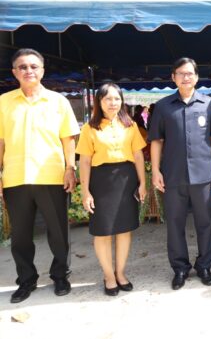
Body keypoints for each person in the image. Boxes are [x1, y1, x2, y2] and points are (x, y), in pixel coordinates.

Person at [0, 48, 79, 303]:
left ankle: (60, 276)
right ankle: (26, 280)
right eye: (22, 67)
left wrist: (70, 168)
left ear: (42, 70)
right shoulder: (3, 102)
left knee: (59, 232)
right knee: (21, 236)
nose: (28, 71)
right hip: (15, 178)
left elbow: (68, 138)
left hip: (51, 176)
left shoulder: (58, 102)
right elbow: (1, 142)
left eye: (33, 66)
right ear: (14, 72)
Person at [149, 57, 211, 290]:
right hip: (173, 176)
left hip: (203, 175)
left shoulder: (209, 104)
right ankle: (180, 268)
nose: (185, 77)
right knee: (175, 224)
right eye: (181, 73)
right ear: (173, 77)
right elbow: (156, 140)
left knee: (204, 222)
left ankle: (204, 266)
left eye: (190, 73)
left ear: (197, 77)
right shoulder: (162, 106)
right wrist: (155, 171)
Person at [76, 83, 148, 296]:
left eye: (116, 98)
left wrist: (142, 183)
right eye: (107, 99)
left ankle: (121, 273)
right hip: (100, 182)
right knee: (103, 232)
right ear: (99, 102)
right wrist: (85, 191)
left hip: (126, 180)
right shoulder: (89, 128)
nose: (112, 103)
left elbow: (137, 156)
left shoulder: (130, 125)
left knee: (125, 230)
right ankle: (108, 276)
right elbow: (85, 161)